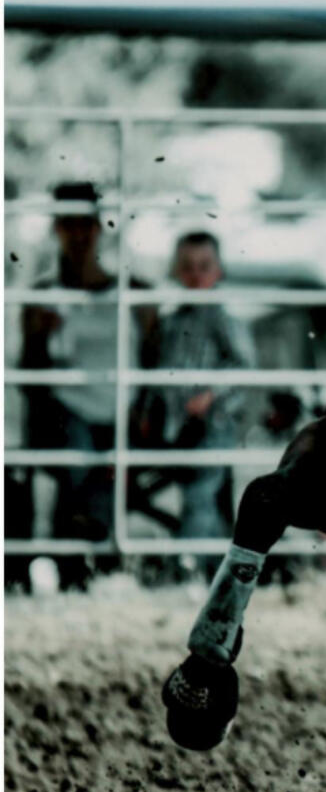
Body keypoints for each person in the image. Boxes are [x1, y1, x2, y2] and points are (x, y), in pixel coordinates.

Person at [16, 181, 159, 587]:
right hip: (69, 412)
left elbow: (153, 367)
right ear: (56, 230)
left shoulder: (135, 294)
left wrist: (144, 410)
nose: (77, 235)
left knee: (98, 459)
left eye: (85, 225)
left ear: (99, 228)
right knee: (78, 453)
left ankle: (82, 559)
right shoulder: (42, 297)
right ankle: (85, 560)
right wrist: (41, 336)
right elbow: (31, 377)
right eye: (67, 225)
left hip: (123, 413)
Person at [157, 231, 253, 545]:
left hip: (214, 421)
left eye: (204, 266)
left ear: (219, 270)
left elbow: (243, 364)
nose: (196, 275)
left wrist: (210, 393)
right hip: (177, 424)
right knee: (207, 495)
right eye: (187, 266)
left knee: (200, 493)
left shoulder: (222, 316)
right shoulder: (172, 320)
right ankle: (214, 566)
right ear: (176, 270)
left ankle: (187, 563)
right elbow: (158, 367)